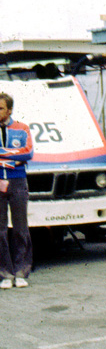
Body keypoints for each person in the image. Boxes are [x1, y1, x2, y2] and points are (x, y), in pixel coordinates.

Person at [0, 92, 33, 289]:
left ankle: (21, 271)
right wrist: (15, 158)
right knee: (0, 230)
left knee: (21, 228)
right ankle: (5, 273)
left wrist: (3, 159)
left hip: (18, 182)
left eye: (1, 108)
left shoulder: (22, 128)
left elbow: (28, 152)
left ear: (9, 110)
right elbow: (21, 156)